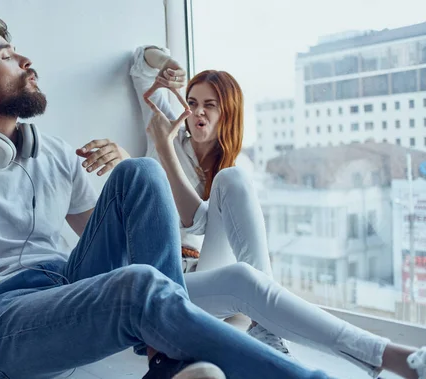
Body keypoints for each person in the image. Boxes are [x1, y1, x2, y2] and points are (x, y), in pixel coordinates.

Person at [0, 14, 338, 379]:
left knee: (140, 171)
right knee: (137, 286)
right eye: (8, 57)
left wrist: (129, 165)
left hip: (65, 285)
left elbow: (115, 243)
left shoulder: (48, 150)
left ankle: (165, 361)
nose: (27, 61)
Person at [82, 44, 426, 379]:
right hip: (164, 279)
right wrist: (169, 65)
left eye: (210, 105)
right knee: (243, 276)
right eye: (192, 103)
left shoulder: (235, 168)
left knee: (232, 179)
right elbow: (141, 63)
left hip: (204, 274)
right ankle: (270, 326)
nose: (197, 112)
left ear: (226, 113)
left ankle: (262, 323)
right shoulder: (166, 131)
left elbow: (198, 222)